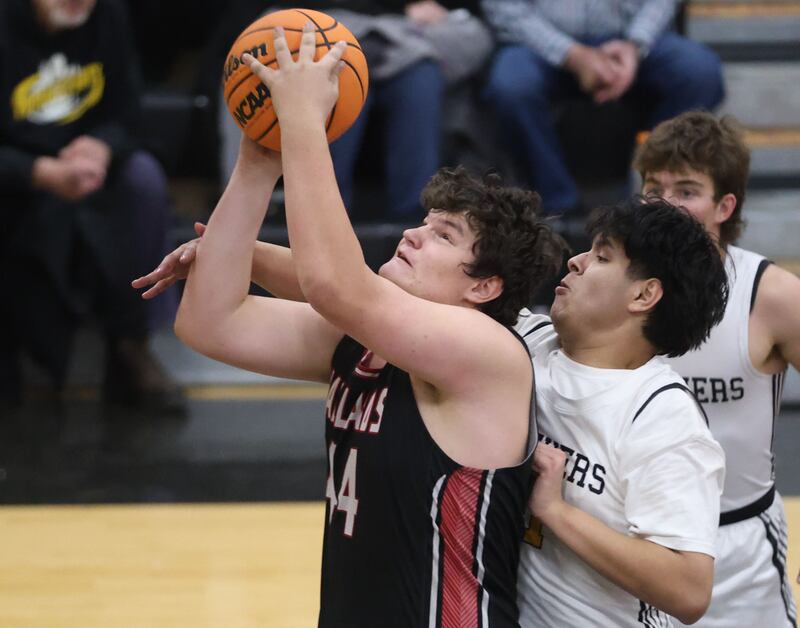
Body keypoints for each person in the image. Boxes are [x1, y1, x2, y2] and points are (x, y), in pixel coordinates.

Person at [166, 26, 566, 626]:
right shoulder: (364, 340)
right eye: (423, 223)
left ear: (484, 287)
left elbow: (335, 284)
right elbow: (210, 323)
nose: (412, 234)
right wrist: (257, 161)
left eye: (442, 237)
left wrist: (303, 119)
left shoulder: (487, 352)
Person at [514, 196, 728, 626]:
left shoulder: (661, 416)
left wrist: (557, 512)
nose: (575, 262)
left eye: (602, 256)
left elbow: (689, 590)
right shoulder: (527, 341)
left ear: (644, 294)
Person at [635, 111, 799, 627]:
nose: (664, 203)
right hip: (638, 548)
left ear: (725, 205)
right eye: (652, 187)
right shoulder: (606, 282)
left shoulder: (770, 294)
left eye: (685, 190)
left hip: (740, 544)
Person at [0, 0, 184, 411]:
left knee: (142, 181)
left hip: (87, 166)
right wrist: (36, 170)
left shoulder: (107, 16)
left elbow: (128, 110)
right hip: (18, 171)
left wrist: (103, 147)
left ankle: (132, 346)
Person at [211, 0, 492, 221]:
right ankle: (320, 216)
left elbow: (469, 25)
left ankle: (419, 217)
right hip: (308, 25)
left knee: (422, 78)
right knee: (338, 78)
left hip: (400, 36)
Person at [480, 0, 724, 215]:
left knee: (700, 73)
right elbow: (503, 7)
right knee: (510, 85)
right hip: (540, 44)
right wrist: (571, 54)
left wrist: (635, 45)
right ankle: (557, 206)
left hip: (634, 41)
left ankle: (658, 191)